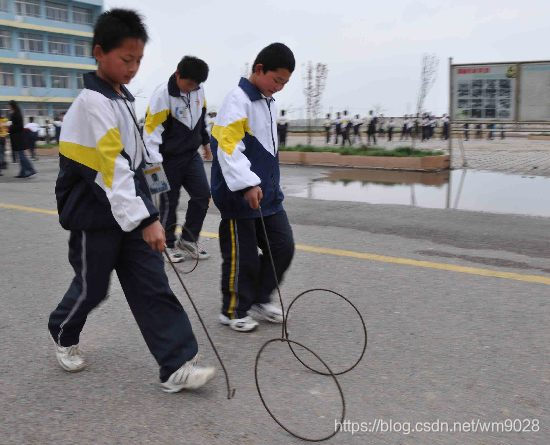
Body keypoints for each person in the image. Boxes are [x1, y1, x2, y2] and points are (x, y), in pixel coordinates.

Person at [47, 9, 215, 393]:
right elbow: (113, 169)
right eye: (126, 59)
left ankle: (176, 365)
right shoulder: (91, 103)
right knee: (92, 288)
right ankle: (63, 330)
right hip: (94, 217)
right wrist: (147, 220)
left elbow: (139, 153)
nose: (133, 68)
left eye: (138, 60)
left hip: (129, 209)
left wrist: (157, 190)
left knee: (153, 284)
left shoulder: (121, 97)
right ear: (99, 52)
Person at [210, 42, 295, 332]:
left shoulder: (268, 102)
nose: (279, 87)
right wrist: (247, 184)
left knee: (283, 246)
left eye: (284, 83)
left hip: (268, 195)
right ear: (259, 69)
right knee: (242, 257)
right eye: (276, 80)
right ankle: (233, 310)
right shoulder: (238, 100)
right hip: (240, 196)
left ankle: (259, 297)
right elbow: (227, 145)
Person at [143, 56, 212, 263]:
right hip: (166, 159)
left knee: (202, 195)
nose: (192, 89)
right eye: (189, 84)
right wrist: (153, 169)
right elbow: (151, 133)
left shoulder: (198, 90)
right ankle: (166, 245)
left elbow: (201, 119)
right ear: (177, 74)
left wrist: (206, 143)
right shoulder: (162, 95)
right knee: (168, 203)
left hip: (190, 155)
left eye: (196, 85)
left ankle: (188, 240)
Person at [8, 101, 36, 178]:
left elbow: (19, 126)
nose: (8, 107)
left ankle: (31, 169)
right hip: (17, 137)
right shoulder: (16, 113)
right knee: (20, 156)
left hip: (18, 138)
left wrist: (10, 127)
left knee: (21, 156)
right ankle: (22, 172)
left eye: (9, 105)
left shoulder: (16, 114)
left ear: (12, 106)